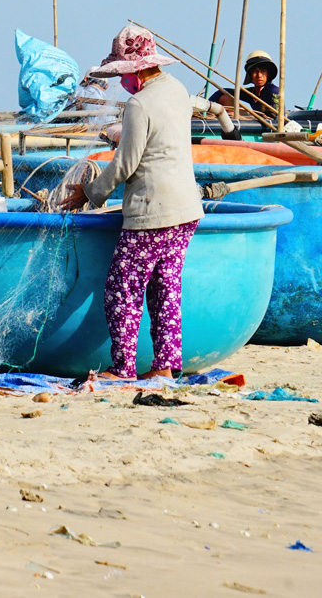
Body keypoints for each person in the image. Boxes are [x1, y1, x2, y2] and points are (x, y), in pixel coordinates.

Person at [63, 24, 204, 380]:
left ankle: (124, 367)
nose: (122, 81)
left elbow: (125, 164)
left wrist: (91, 193)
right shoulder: (177, 89)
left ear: (136, 69)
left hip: (153, 211)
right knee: (165, 288)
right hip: (185, 208)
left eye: (123, 73)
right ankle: (165, 368)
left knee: (122, 287)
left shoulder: (140, 103)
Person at [208, 49, 280, 117]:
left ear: (268, 74)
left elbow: (280, 119)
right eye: (255, 71)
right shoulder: (251, 93)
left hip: (267, 127)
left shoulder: (273, 91)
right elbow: (224, 91)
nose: (259, 75)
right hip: (253, 121)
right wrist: (206, 106)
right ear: (250, 75)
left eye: (263, 71)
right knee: (225, 97)